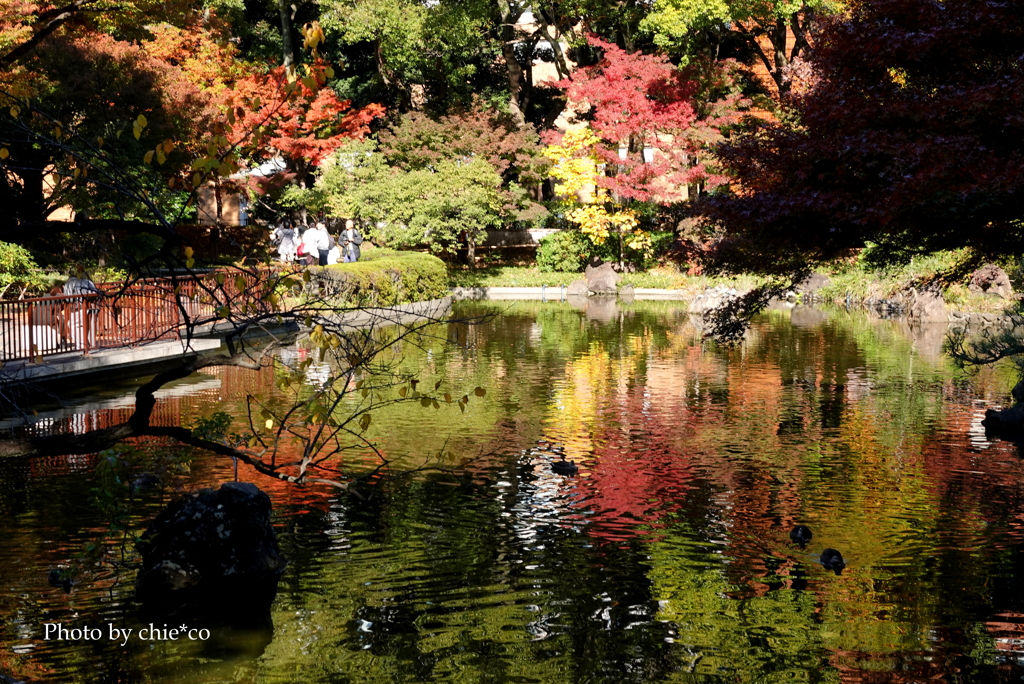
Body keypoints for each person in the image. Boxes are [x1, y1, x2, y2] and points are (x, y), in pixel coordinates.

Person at [62, 265, 102, 348]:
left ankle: (81, 345)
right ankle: (91, 344)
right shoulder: (88, 281)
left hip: (77, 307)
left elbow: (67, 298)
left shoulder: (68, 284)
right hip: (91, 306)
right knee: (89, 325)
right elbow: (96, 292)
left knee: (73, 324)